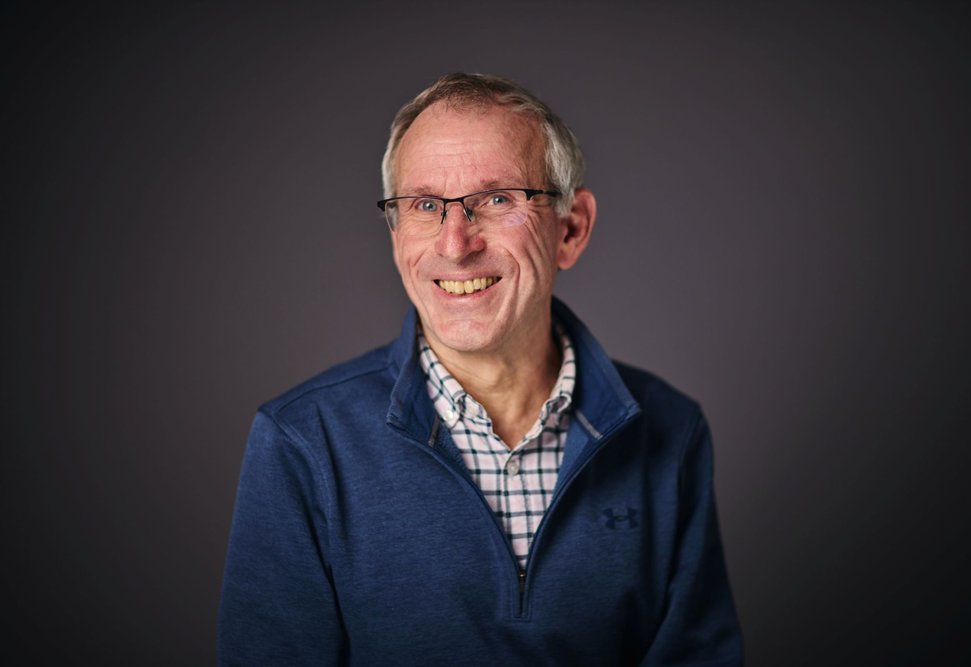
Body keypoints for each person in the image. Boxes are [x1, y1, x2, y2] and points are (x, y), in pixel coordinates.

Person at [218, 72, 743, 666]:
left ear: (571, 228)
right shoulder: (303, 443)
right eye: (423, 205)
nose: (455, 242)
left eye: (496, 199)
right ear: (395, 238)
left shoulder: (670, 431)